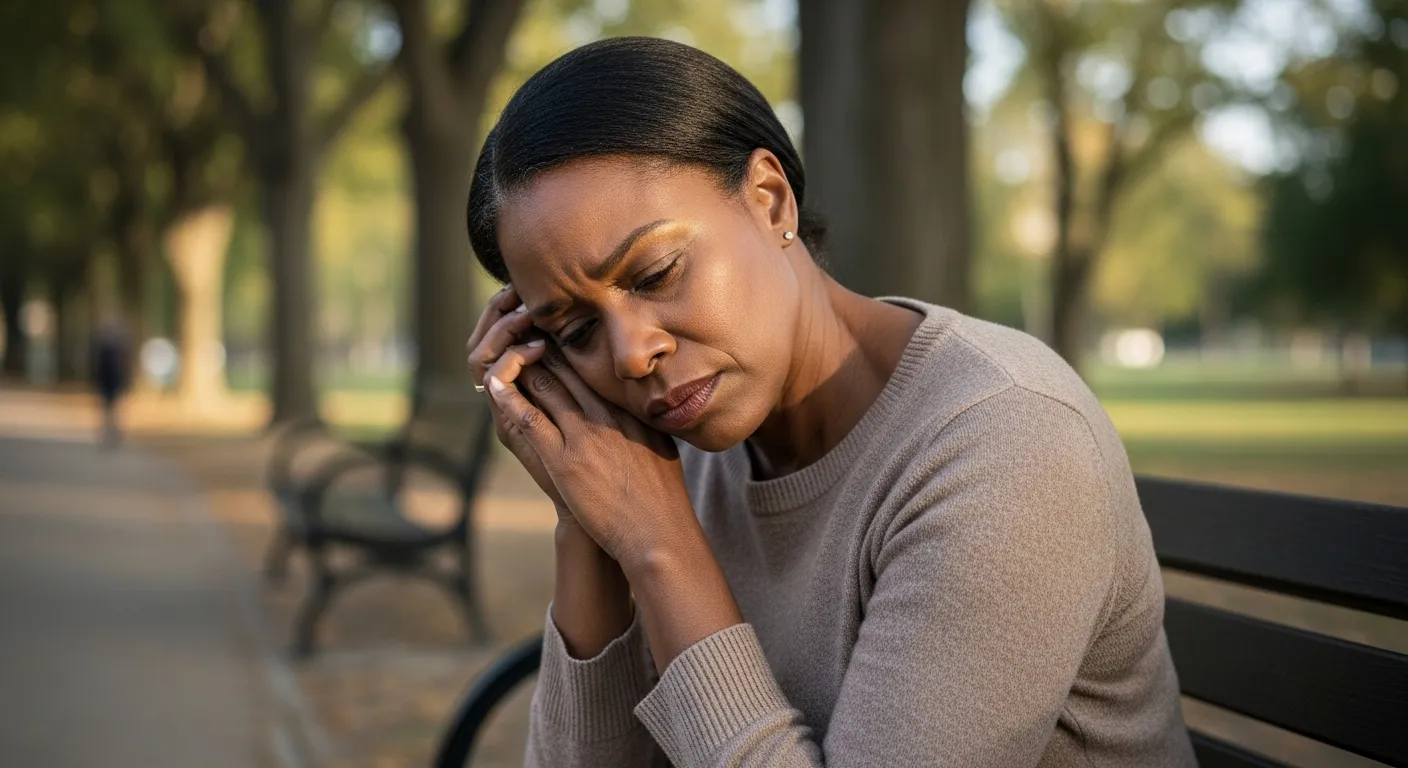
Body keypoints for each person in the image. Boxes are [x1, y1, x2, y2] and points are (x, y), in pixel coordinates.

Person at [465, 37, 1195, 767]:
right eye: (577, 331)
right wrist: (586, 521)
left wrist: (661, 548)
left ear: (769, 199)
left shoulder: (1006, 442)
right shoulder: (683, 456)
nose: (630, 354)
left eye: (656, 273)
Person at [92, 313, 130, 449]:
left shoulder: (117, 347)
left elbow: (123, 367)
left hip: (113, 382)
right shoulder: (106, 347)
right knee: (107, 412)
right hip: (107, 383)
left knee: (112, 412)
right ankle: (108, 435)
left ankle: (112, 435)